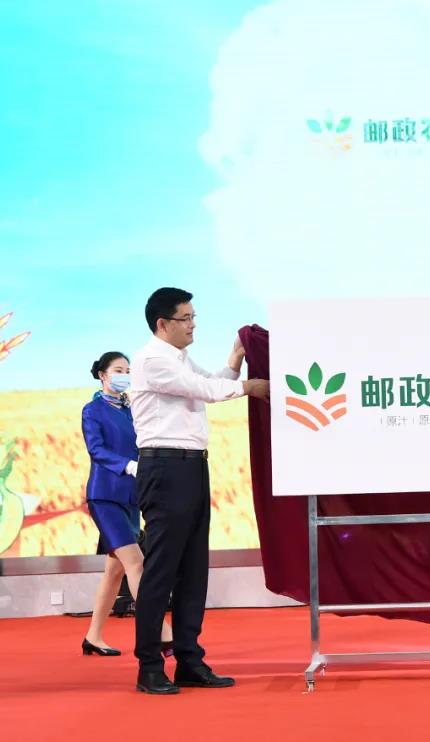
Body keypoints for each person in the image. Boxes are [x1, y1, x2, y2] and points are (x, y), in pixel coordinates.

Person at [130, 287, 269, 695]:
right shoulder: (152, 360)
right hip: (165, 468)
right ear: (162, 324)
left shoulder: (180, 359)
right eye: (186, 318)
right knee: (162, 571)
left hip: (192, 467)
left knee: (193, 569)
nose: (193, 325)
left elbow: (210, 382)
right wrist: (249, 387)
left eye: (194, 317)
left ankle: (190, 660)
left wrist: (236, 359)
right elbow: (204, 390)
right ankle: (149, 666)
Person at [80, 351, 172, 656]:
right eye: (119, 370)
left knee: (114, 572)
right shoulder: (92, 410)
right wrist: (128, 466)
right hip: (105, 496)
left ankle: (93, 637)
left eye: (128, 371)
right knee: (136, 563)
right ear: (103, 375)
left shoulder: (131, 409)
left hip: (132, 499)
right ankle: (162, 633)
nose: (125, 376)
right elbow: (96, 449)